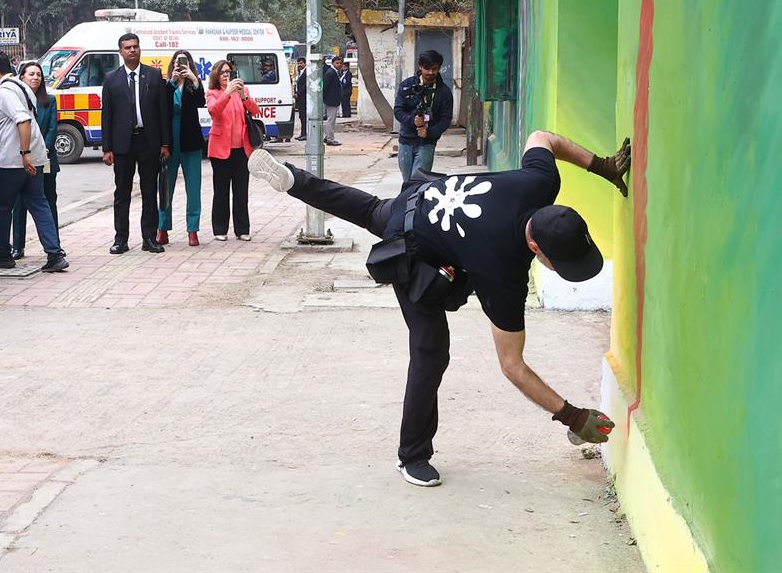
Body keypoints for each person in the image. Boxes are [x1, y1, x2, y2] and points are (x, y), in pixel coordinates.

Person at [247, 131, 631, 487]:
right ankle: (412, 455)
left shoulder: (538, 182)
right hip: (413, 243)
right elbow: (513, 365)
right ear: (536, 249)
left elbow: (541, 137)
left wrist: (603, 166)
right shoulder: (501, 269)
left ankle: (295, 179)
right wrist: (572, 416)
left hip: (419, 198)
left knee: (370, 211)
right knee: (431, 350)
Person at [0, 52, 68, 273]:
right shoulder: (21, 86)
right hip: (34, 158)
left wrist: (24, 153)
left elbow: (23, 119)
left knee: (1, 207)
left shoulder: (5, 90)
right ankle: (54, 253)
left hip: (14, 159)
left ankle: (3, 252)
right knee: (39, 203)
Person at [101, 32, 171, 254]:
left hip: (148, 142)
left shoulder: (153, 75)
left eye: (135, 46)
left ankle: (149, 238)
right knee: (122, 193)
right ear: (120, 52)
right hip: (122, 144)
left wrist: (165, 143)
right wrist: (107, 148)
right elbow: (107, 115)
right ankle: (121, 239)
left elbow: (163, 112)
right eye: (127, 47)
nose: (132, 50)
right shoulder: (111, 79)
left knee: (149, 191)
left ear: (140, 49)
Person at [11, 61, 62, 260]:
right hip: (22, 159)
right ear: (21, 77)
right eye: (30, 74)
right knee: (19, 203)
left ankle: (54, 245)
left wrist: (42, 150)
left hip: (46, 158)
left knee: (48, 201)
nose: (35, 77)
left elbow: (52, 128)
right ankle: (17, 246)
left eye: (38, 74)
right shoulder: (16, 100)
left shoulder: (49, 100)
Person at [206, 59, 261, 241]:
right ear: (216, 75)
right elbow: (214, 111)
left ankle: (242, 229)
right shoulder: (213, 93)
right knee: (221, 191)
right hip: (221, 150)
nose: (226, 75)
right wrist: (227, 93)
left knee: (241, 190)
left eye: (228, 72)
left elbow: (255, 111)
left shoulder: (242, 91)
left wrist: (243, 96)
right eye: (222, 72)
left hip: (241, 149)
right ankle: (220, 229)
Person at [157, 50, 204, 247]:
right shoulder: (166, 84)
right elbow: (161, 106)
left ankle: (192, 230)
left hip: (190, 140)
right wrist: (171, 82)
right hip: (169, 141)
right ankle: (162, 228)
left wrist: (194, 79)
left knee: (193, 187)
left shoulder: (193, 85)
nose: (180, 65)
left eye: (184, 62)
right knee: (166, 187)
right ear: (172, 64)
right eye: (177, 62)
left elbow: (201, 102)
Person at [394, 50, 454, 183]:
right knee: (407, 181)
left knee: (419, 182)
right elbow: (398, 110)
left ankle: (416, 203)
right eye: (427, 68)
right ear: (420, 67)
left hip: (427, 143)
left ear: (439, 68)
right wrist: (412, 121)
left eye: (435, 69)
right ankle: (407, 203)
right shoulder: (406, 85)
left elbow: (445, 119)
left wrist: (429, 132)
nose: (431, 73)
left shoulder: (444, 92)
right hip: (405, 141)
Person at [322, 57, 343, 146]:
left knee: (330, 120)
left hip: (332, 100)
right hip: (331, 101)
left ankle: (327, 137)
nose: (339, 65)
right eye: (337, 63)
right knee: (331, 120)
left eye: (340, 63)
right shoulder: (330, 73)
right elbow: (326, 87)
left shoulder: (334, 72)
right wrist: (325, 99)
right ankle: (330, 139)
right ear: (333, 63)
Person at [293, 57, 307, 141]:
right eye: (298, 63)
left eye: (301, 63)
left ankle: (305, 134)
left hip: (303, 98)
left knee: (304, 116)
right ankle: (302, 133)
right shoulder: (299, 72)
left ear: (305, 63)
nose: (299, 65)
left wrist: (298, 93)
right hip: (299, 98)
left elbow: (305, 86)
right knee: (301, 116)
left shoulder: (306, 73)